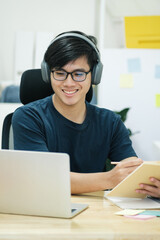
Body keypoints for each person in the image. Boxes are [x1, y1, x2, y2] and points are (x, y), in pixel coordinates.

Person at [12, 31, 160, 197]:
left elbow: (129, 170)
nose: (69, 83)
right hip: (43, 208)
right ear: (48, 73)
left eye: (79, 74)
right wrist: (109, 179)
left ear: (94, 75)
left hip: (96, 211)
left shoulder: (110, 122)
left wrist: (149, 183)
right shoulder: (28, 117)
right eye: (60, 73)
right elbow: (44, 177)